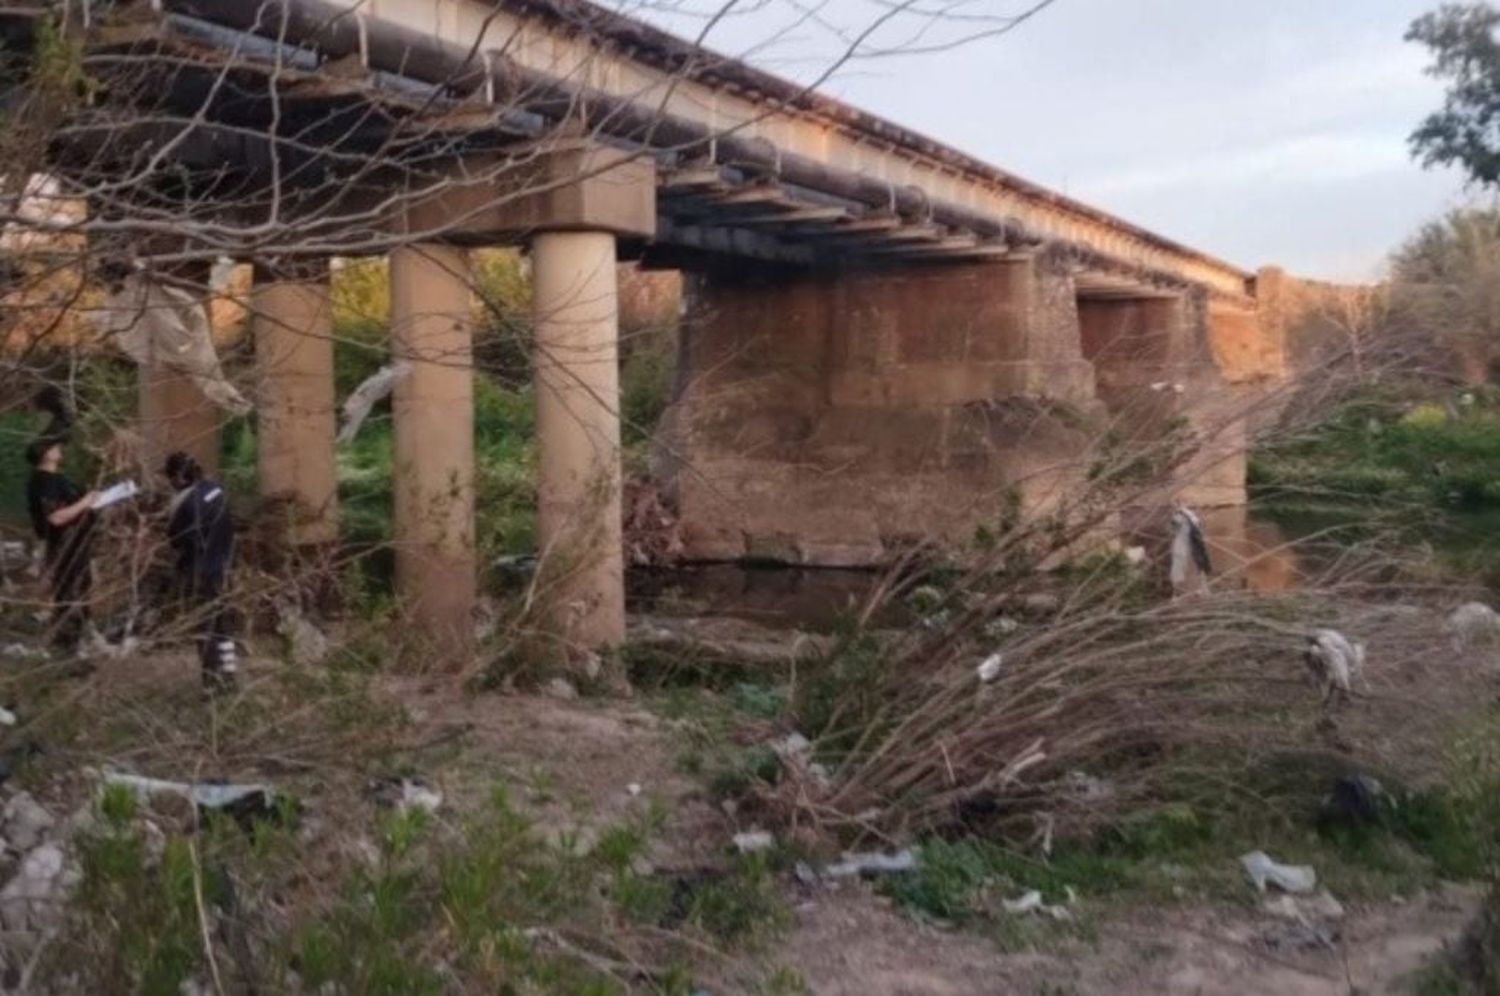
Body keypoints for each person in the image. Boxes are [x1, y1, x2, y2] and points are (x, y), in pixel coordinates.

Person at [163, 451, 237, 688]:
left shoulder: (182, 502)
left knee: (206, 627)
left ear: (176, 477)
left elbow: (175, 540)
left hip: (200, 571)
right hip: (224, 565)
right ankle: (229, 674)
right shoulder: (216, 489)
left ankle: (212, 682)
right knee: (223, 625)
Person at [24, 437, 97, 654]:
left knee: (81, 590)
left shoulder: (58, 478)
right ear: (44, 453)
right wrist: (86, 502)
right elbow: (55, 518)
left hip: (78, 542)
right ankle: (68, 645)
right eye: (54, 447)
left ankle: (79, 640)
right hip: (65, 544)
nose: (59, 448)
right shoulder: (43, 482)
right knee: (70, 592)